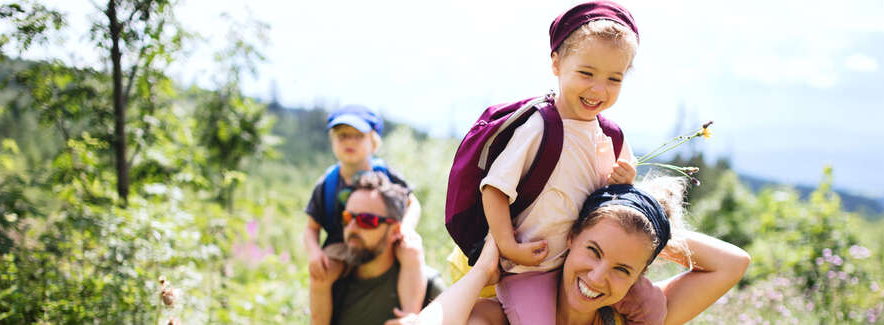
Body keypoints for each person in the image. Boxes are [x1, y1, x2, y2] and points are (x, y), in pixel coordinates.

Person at [468, 1, 649, 324]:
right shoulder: (540, 127)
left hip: (580, 266)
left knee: (652, 309)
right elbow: (494, 188)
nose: (598, 89)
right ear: (557, 63)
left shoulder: (610, 135)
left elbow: (617, 200)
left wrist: (626, 180)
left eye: (614, 79)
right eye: (586, 73)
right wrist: (509, 246)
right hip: (530, 268)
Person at [414, 176, 751, 325]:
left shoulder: (628, 319)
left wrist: (652, 234)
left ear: (639, 276)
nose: (598, 276)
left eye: (623, 269)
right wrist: (485, 268)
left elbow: (734, 263)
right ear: (571, 236)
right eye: (594, 250)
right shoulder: (496, 318)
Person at [303, 105, 427, 325]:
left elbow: (412, 203)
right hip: (341, 245)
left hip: (384, 238)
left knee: (412, 250)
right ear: (332, 141)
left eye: (358, 136)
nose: (349, 142)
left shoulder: (385, 174)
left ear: (374, 142)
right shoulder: (327, 184)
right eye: (342, 136)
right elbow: (311, 227)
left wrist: (406, 228)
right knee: (320, 275)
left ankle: (408, 316)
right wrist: (314, 252)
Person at [316, 172, 446, 325]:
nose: (352, 228)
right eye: (347, 218)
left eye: (366, 220)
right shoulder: (332, 283)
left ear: (396, 231)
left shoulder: (429, 288)